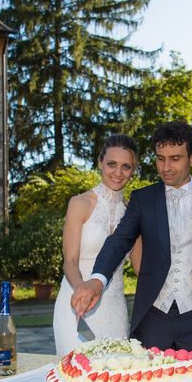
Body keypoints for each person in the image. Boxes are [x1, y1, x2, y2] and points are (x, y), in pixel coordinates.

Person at [71, 121, 192, 359]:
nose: (166, 167)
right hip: (153, 318)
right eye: (160, 158)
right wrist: (97, 279)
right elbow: (119, 241)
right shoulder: (143, 199)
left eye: (175, 158)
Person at [53, 134, 141, 356]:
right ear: (100, 162)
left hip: (115, 312)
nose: (118, 173)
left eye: (126, 166)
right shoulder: (80, 203)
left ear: (134, 170)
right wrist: (83, 290)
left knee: (114, 380)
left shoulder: (135, 213)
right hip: (76, 304)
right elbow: (70, 261)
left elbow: (142, 268)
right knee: (74, 380)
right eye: (112, 164)